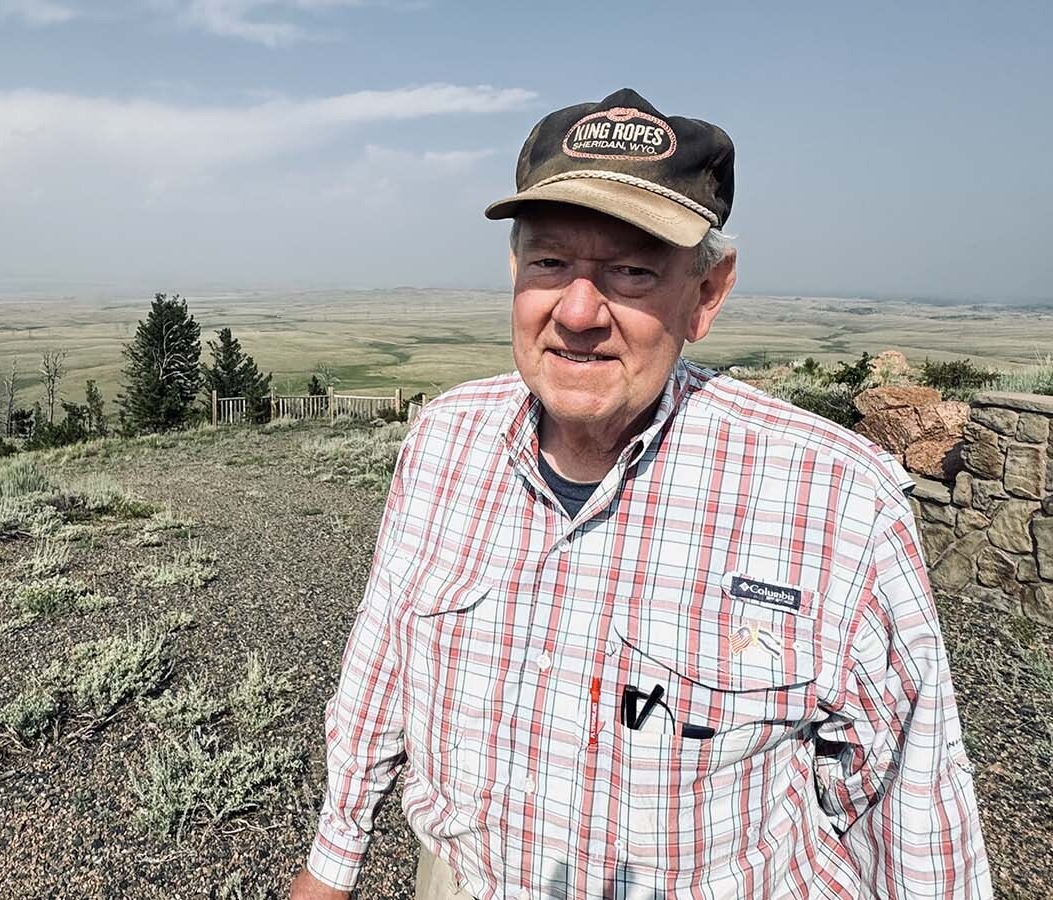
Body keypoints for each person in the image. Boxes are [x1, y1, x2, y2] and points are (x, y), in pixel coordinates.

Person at [289, 88, 992, 899]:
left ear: (706, 294)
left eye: (631, 270)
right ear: (514, 273)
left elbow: (912, 801)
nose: (578, 312)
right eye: (551, 262)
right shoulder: (446, 439)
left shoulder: (837, 501)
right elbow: (383, 665)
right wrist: (331, 862)